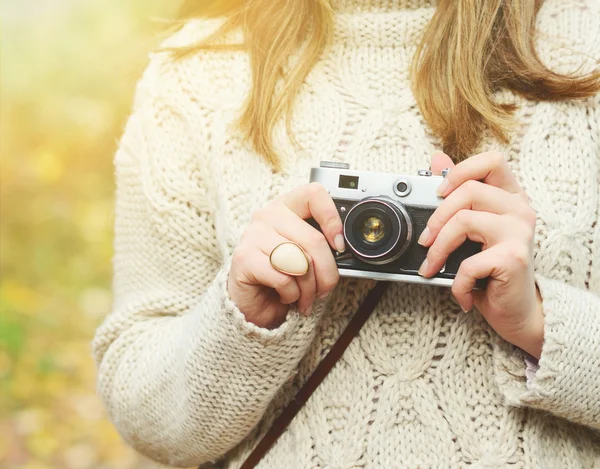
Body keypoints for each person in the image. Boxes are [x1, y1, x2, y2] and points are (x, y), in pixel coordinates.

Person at [93, 0, 600, 467]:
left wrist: (539, 322)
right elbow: (143, 412)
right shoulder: (197, 73)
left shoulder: (587, 43)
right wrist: (242, 320)